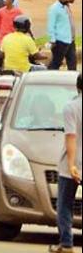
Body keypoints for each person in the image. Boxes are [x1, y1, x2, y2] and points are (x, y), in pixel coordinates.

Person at [49, 73, 81, 253]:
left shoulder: (71, 107)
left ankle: (67, 243)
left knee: (65, 204)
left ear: (78, 87)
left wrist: (71, 164)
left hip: (73, 165)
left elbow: (71, 136)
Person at [47, 0, 78, 71]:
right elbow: (51, 26)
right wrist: (53, 40)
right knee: (56, 63)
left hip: (70, 41)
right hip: (60, 42)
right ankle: (49, 79)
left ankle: (73, 82)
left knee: (72, 63)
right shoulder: (54, 8)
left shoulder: (65, 7)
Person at [0, 0, 22, 74]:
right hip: (1, 40)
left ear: (12, 1)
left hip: (13, 40)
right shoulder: (0, 11)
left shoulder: (18, 12)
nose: (4, 1)